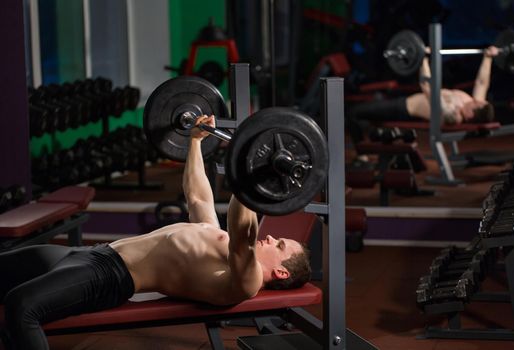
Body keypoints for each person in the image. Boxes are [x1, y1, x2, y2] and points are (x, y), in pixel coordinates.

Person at [0, 115, 312, 350]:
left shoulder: (246, 279)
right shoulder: (219, 239)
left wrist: (251, 171)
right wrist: (195, 141)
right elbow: (198, 197)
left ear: (282, 273)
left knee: (22, 306)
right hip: (89, 254)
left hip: (111, 275)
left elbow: (242, 229)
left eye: (280, 244)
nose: (271, 237)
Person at [346, 46, 500, 146]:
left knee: (353, 112)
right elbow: (481, 83)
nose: (478, 100)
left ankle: (362, 156)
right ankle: (374, 136)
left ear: (471, 113)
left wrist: (423, 59)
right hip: (406, 99)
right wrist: (488, 57)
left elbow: (427, 87)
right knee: (375, 101)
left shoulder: (452, 114)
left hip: (403, 110)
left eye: (477, 104)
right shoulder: (473, 103)